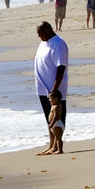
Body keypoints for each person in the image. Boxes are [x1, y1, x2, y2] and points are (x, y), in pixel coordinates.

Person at [33, 21, 68, 155]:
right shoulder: (44, 42)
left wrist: (55, 89)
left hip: (54, 91)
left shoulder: (58, 44)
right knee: (49, 118)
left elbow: (61, 67)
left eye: (40, 33)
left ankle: (57, 147)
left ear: (48, 30)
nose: (38, 36)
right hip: (43, 89)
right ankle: (51, 145)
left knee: (57, 119)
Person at [45, 89, 66, 155]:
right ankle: (56, 149)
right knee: (56, 137)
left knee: (58, 138)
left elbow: (56, 117)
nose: (49, 100)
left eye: (50, 98)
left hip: (57, 124)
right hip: (55, 124)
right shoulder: (53, 106)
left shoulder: (56, 106)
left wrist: (51, 124)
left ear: (56, 98)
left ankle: (60, 150)